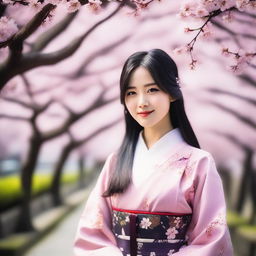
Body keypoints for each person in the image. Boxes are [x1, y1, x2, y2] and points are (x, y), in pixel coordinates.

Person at [73, 49, 233, 256]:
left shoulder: (199, 163)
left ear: (172, 93)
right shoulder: (116, 162)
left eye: (152, 90)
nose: (142, 102)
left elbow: (211, 240)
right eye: (131, 93)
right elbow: (91, 234)